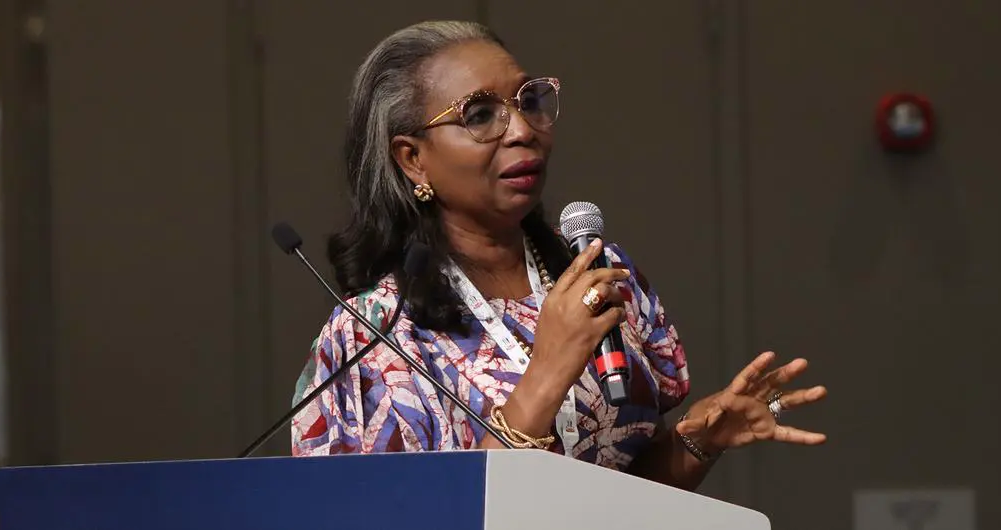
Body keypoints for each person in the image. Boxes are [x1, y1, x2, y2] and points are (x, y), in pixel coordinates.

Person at [290, 20, 828, 491]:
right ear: (412, 160)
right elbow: (400, 513)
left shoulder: (598, 272)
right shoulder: (372, 339)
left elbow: (613, 499)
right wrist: (545, 376)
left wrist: (695, 441)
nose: (523, 130)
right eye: (479, 115)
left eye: (527, 101)